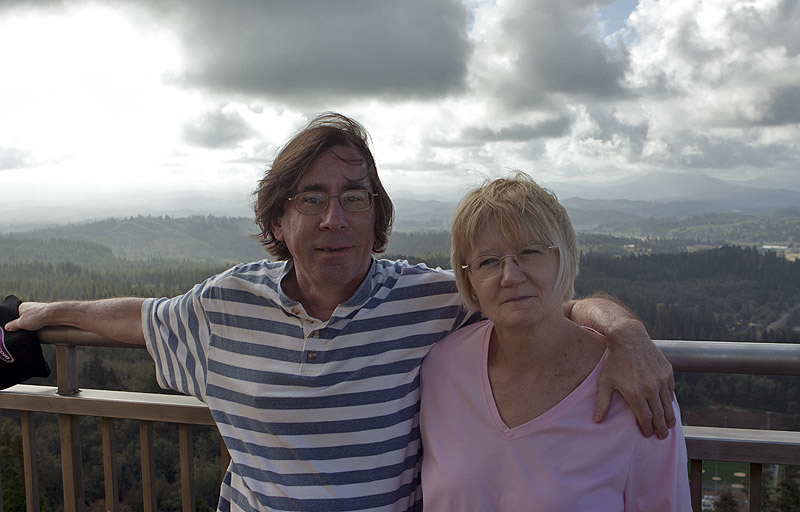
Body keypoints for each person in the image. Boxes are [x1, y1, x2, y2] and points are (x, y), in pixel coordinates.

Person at [5, 113, 676, 512]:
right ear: (277, 215)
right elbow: (134, 316)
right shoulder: (224, 306)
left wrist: (624, 330)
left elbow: (528, 292)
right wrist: (31, 313)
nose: (335, 219)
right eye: (311, 199)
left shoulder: (434, 302)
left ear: (377, 215)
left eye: (355, 198)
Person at [419, 173, 691, 511]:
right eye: (487, 261)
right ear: (469, 281)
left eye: (530, 252)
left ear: (565, 259)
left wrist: (626, 332)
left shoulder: (634, 386)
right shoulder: (443, 368)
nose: (510, 276)